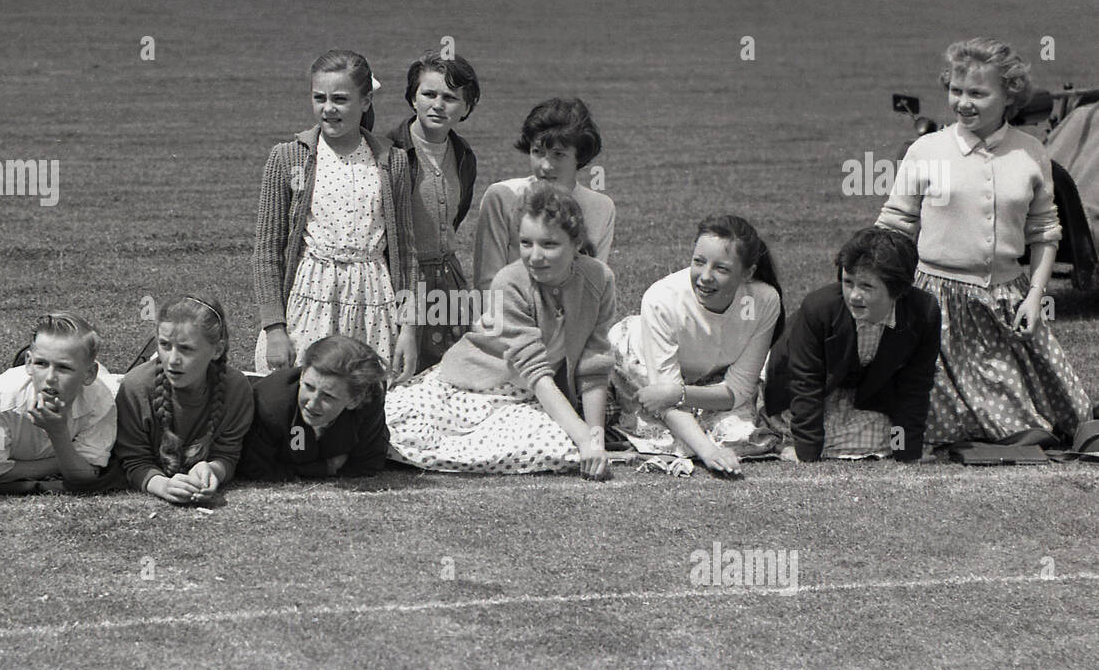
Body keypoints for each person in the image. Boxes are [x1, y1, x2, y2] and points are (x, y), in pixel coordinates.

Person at [875, 37, 1092, 445]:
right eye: (956, 91)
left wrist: (1034, 296)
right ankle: (1007, 427)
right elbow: (894, 224)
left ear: (1009, 95)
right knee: (952, 410)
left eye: (978, 93)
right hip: (934, 302)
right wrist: (880, 284)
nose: (963, 102)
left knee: (1073, 412)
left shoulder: (1032, 153)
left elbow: (1045, 232)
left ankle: (1024, 425)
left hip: (1008, 300)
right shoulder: (926, 150)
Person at [386, 183, 614, 479]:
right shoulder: (510, 281)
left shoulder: (599, 279)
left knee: (559, 447)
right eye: (525, 243)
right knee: (396, 422)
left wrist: (595, 440)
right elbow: (536, 372)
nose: (534, 256)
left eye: (549, 244)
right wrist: (586, 439)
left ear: (576, 242)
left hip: (529, 398)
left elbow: (594, 366)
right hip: (474, 385)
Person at [253, 49, 419, 383]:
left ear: (366, 101)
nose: (328, 109)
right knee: (301, 396)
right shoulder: (288, 158)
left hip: (373, 304)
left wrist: (409, 328)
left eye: (341, 99)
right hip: (309, 300)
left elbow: (407, 254)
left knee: (363, 401)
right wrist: (274, 328)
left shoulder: (392, 161)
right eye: (320, 98)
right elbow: (266, 252)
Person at [610, 215, 784, 477]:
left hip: (703, 381)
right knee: (667, 434)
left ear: (747, 272)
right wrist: (709, 453)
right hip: (641, 363)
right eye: (698, 262)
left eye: (721, 269)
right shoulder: (661, 298)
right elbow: (661, 397)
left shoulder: (765, 300)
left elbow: (737, 390)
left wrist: (677, 394)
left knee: (742, 436)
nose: (705, 277)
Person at [762, 227, 941, 461]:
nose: (854, 295)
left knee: (908, 429)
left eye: (867, 286)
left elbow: (915, 385)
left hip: (861, 393)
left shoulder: (923, 313)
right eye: (848, 282)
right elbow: (805, 382)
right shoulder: (819, 309)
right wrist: (806, 452)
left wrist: (906, 451)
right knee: (826, 430)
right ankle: (787, 439)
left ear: (898, 291)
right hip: (798, 392)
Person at [386, 50, 482, 368]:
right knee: (399, 371)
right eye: (429, 94)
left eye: (450, 97)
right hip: (399, 281)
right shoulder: (388, 149)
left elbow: (456, 215)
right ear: (413, 99)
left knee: (448, 372)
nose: (438, 104)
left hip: (448, 280)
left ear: (466, 107)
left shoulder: (463, 154)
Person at [113, 295, 254, 505]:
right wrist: (161, 485)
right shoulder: (136, 387)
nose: (173, 359)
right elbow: (133, 461)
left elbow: (228, 454)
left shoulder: (236, 389)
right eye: (164, 345)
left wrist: (212, 470)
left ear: (217, 349)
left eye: (186, 348)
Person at [472, 97, 614, 292]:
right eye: (537, 152)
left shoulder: (601, 207)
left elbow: (595, 284)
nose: (546, 166)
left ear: (579, 156)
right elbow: (487, 284)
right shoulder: (502, 197)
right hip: (511, 314)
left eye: (559, 154)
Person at [0, 313, 121, 494]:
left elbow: (87, 476)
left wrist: (58, 432)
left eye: (64, 368)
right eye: (41, 364)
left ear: (89, 374)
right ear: (28, 363)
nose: (50, 378)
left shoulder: (100, 400)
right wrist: (63, 462)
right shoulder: (0, 400)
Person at [238, 335, 389, 481]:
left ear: (354, 401)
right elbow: (254, 468)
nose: (312, 403)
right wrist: (325, 467)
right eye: (309, 387)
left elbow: (369, 463)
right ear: (302, 375)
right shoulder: (271, 404)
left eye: (328, 396)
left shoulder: (369, 400)